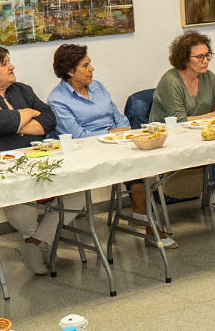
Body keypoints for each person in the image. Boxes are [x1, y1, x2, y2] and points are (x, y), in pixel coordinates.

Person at [47, 43, 163, 244]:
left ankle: (143, 217)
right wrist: (110, 133)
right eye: (85, 66)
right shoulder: (57, 99)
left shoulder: (98, 87)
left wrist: (123, 133)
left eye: (90, 63)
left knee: (147, 160)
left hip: (116, 143)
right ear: (68, 71)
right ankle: (146, 222)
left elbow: (118, 116)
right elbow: (77, 136)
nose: (92, 69)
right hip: (86, 151)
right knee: (135, 165)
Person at [0, 44, 63, 252]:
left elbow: (50, 119)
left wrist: (16, 124)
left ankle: (35, 242)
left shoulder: (22, 90)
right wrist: (27, 112)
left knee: (77, 190)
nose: (12, 66)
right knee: (20, 199)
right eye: (5, 64)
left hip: (36, 159)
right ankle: (34, 242)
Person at [151, 31, 215, 236]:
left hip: (198, 136)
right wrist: (214, 113)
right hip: (169, 139)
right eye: (199, 57)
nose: (205, 61)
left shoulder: (208, 77)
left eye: (207, 55)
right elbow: (179, 122)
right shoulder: (171, 81)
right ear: (184, 58)